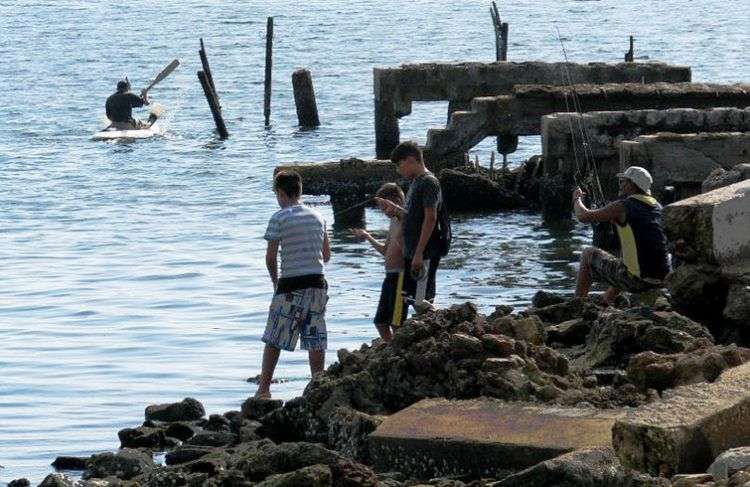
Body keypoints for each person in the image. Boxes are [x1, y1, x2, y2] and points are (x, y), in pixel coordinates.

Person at [255, 170, 331, 399]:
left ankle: (264, 388)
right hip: (318, 282)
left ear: (280, 192)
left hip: (291, 283)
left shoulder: (279, 217)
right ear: (299, 190)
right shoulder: (319, 216)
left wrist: (275, 283)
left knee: (274, 337)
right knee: (315, 336)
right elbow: (326, 256)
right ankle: (318, 385)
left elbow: (270, 258)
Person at [573, 166, 671, 305]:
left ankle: (577, 305)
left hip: (637, 281)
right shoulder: (658, 207)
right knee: (626, 256)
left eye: (623, 181)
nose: (620, 184)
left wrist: (577, 199)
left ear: (632, 185)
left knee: (588, 254)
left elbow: (583, 216)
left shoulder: (623, 206)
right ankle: (607, 299)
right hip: (662, 279)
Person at [376, 141, 444, 313]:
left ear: (412, 160)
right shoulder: (415, 183)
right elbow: (413, 217)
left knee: (421, 300)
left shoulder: (429, 182)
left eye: (400, 165)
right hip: (412, 251)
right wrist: (396, 210)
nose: (399, 171)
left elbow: (430, 218)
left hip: (424, 251)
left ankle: (444, 322)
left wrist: (419, 253)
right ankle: (430, 330)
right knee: (411, 297)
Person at [352, 183, 406, 342]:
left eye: (384, 206)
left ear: (395, 201)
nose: (383, 211)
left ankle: (399, 351)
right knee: (381, 322)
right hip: (389, 277)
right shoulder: (393, 222)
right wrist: (367, 236)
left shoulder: (406, 221)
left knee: (396, 323)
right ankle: (391, 350)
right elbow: (385, 250)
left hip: (401, 277)